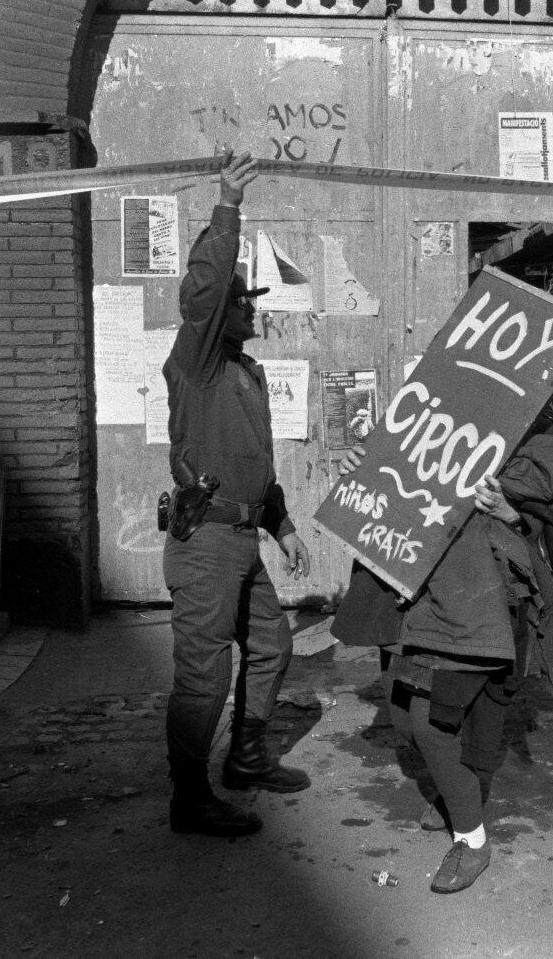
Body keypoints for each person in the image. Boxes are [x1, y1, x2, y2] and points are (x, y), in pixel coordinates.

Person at [335, 394, 553, 893]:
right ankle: (461, 791)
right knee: (406, 716)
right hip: (418, 596)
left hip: (486, 602)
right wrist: (361, 469)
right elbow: (387, 495)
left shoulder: (541, 432)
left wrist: (519, 513)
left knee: (433, 721)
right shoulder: (432, 412)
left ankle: (472, 839)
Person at [162, 148, 312, 838]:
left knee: (272, 646)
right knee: (204, 676)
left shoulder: (245, 372)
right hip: (207, 543)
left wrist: (281, 526)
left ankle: (246, 758)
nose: (253, 313)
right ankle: (189, 797)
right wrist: (227, 207)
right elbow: (203, 290)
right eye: (243, 304)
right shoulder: (196, 361)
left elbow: (257, 464)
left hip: (245, 538)